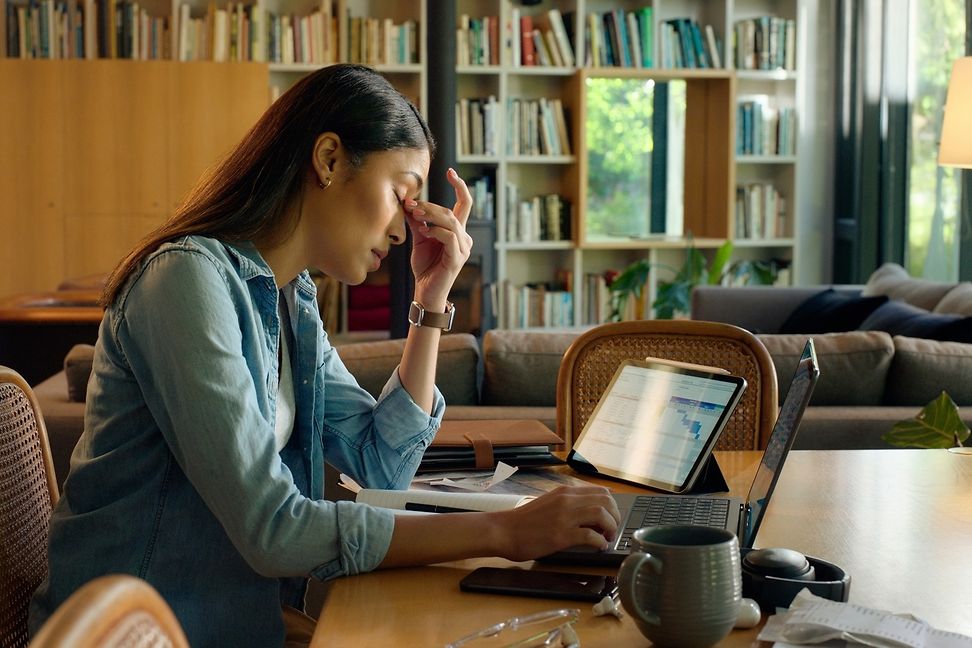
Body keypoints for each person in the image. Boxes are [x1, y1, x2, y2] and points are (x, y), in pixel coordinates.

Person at [28, 64, 620, 647]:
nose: (405, 229)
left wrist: (430, 300)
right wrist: (503, 531)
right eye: (401, 194)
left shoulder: (291, 300)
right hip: (130, 635)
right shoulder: (185, 282)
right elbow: (272, 529)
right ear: (330, 159)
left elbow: (381, 465)